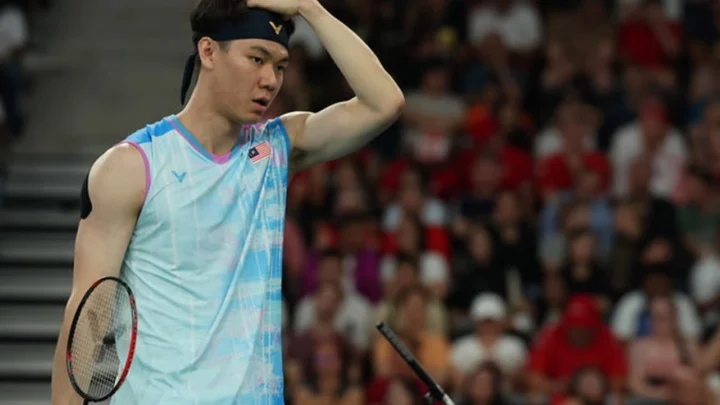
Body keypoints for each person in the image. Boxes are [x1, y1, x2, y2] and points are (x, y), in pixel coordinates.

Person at [49, 0, 404, 403]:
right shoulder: (131, 167)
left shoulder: (275, 149)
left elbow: (383, 103)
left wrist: (312, 10)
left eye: (280, 66)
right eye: (256, 59)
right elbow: (88, 316)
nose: (270, 80)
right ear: (208, 51)